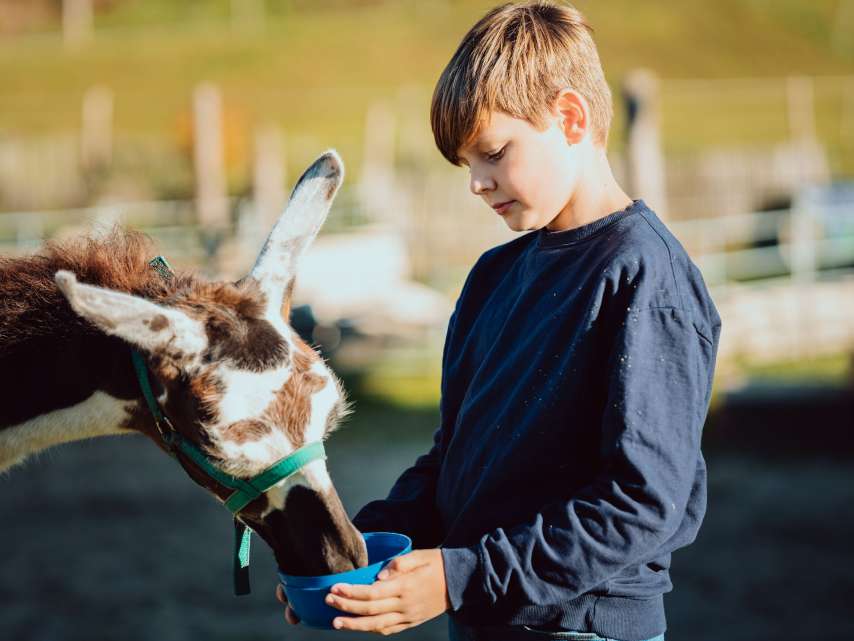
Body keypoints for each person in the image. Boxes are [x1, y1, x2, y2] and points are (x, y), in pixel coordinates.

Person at [276, 2, 721, 639]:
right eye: (467, 165)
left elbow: (641, 503)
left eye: (492, 153)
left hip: (582, 628)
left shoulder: (646, 279)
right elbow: (452, 462)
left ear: (570, 118)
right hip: (482, 622)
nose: (477, 184)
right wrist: (349, 556)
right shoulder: (492, 278)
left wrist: (459, 577)